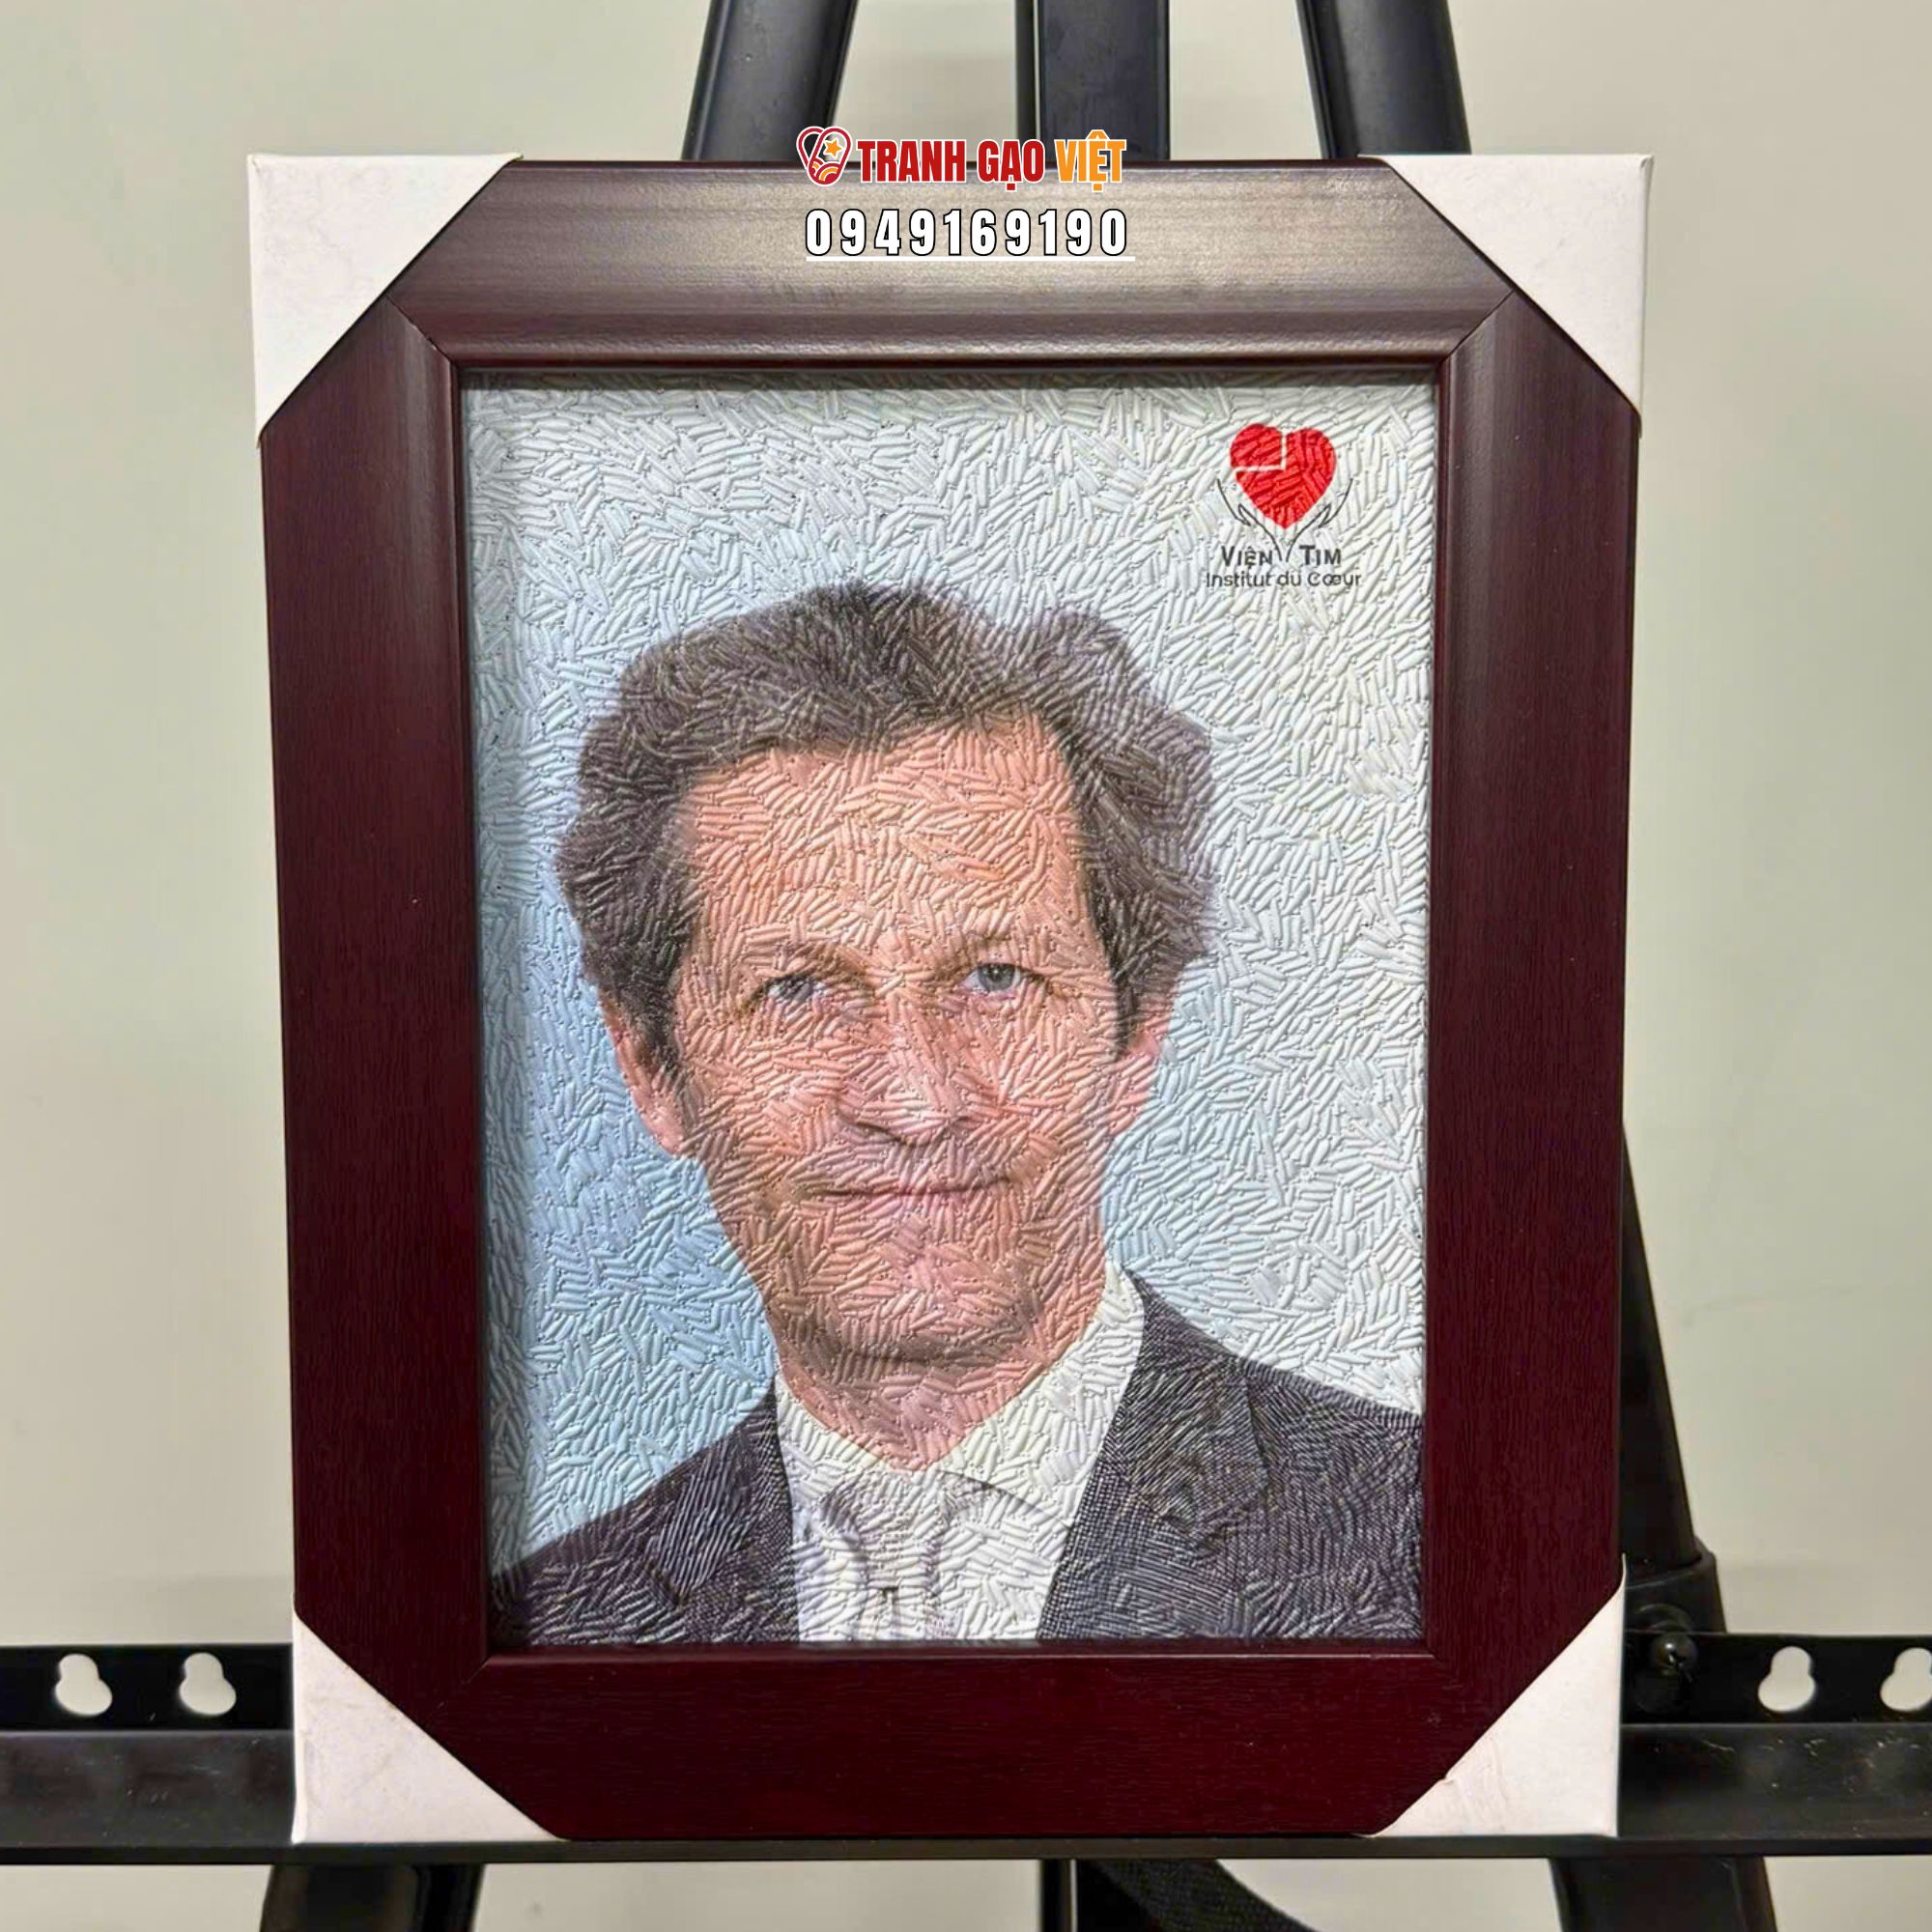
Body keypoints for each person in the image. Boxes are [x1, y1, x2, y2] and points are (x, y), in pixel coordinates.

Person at [494, 581, 1420, 1645]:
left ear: (1136, 1037)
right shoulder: (551, 1623)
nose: (913, 1101)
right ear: (652, 1068)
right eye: (795, 989)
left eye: (995, 977)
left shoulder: (1421, 1539)